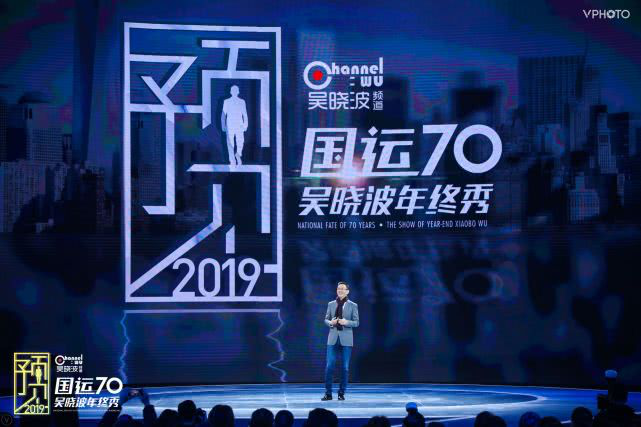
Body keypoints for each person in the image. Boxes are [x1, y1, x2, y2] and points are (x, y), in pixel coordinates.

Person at [322, 281, 359, 401]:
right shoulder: (331, 304)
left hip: (346, 340)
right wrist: (331, 322)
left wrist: (346, 322)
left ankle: (341, 393)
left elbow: (356, 322)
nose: (340, 290)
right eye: (338, 288)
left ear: (347, 291)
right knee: (329, 366)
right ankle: (328, 393)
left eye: (343, 289)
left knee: (345, 367)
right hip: (332, 339)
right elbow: (326, 319)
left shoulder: (353, 305)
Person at [221, 85, 248, 166]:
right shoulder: (226, 101)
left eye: (236, 90)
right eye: (233, 90)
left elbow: (245, 114)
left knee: (240, 142)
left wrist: (245, 125)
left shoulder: (242, 102)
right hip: (230, 126)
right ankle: (232, 160)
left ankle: (238, 154)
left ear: (238, 92)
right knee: (230, 144)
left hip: (239, 125)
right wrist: (223, 125)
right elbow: (223, 115)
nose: (235, 92)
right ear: (231, 92)